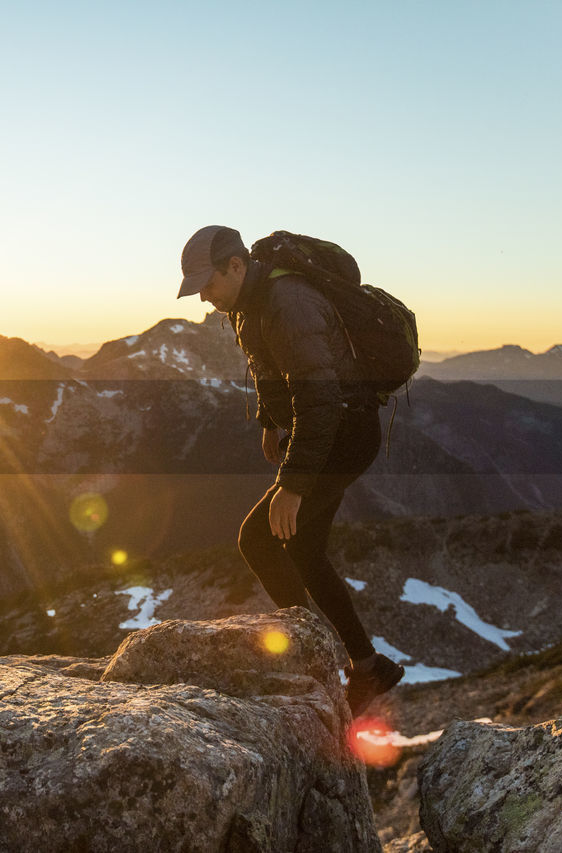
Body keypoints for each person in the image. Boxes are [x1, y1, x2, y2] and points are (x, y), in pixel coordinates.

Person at [178, 224, 405, 717]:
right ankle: (368, 666)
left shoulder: (288, 301)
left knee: (258, 540)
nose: (204, 298)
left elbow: (320, 398)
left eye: (208, 284)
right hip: (329, 432)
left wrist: (293, 485)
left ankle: (310, 657)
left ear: (235, 266)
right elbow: (267, 370)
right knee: (302, 547)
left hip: (344, 433)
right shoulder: (248, 304)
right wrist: (269, 423)